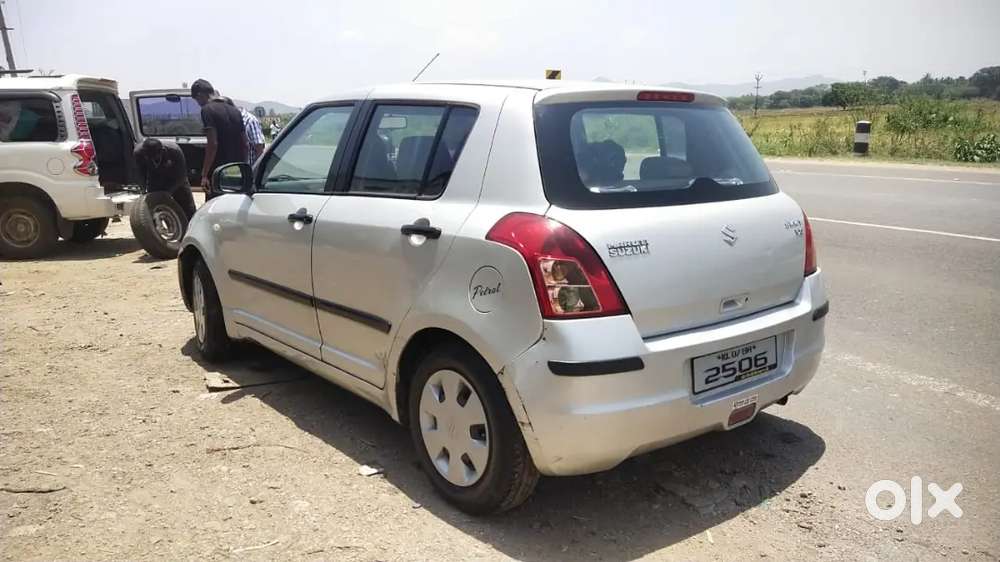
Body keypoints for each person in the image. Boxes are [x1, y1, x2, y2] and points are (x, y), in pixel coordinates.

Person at [190, 79, 247, 191]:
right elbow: (245, 144)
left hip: (218, 172)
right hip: (237, 169)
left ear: (200, 95)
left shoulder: (207, 110)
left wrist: (205, 175)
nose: (198, 104)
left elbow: (213, 144)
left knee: (216, 205)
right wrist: (244, 168)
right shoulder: (235, 110)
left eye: (197, 100)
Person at [133, 138, 198, 220]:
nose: (152, 159)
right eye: (149, 157)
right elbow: (140, 173)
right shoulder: (138, 153)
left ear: (162, 151)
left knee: (188, 207)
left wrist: (168, 192)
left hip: (175, 177)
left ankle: (191, 226)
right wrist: (143, 189)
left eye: (154, 157)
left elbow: (181, 176)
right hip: (154, 178)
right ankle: (162, 228)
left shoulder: (174, 151)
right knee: (154, 206)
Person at [222, 97, 265, 163]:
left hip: (251, 167)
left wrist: (255, 169)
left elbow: (259, 147)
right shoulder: (232, 120)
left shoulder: (249, 120)